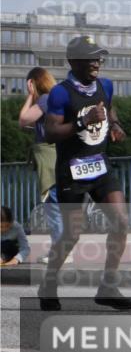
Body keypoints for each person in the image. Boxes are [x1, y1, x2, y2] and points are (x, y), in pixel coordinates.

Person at [38, 35, 131, 310]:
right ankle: (49, 284)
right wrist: (82, 120)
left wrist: (115, 125)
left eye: (99, 57)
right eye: (91, 58)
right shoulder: (60, 92)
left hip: (100, 165)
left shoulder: (105, 85)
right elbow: (51, 132)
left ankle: (108, 287)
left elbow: (108, 107)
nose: (96, 62)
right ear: (73, 61)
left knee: (121, 222)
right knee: (72, 233)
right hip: (72, 171)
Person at [18, 67, 63, 262]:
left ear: (34, 83)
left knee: (52, 203)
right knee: (55, 204)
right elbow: (30, 123)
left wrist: (30, 96)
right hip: (54, 156)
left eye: (29, 84)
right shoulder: (52, 99)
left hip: (49, 159)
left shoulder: (45, 99)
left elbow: (23, 119)